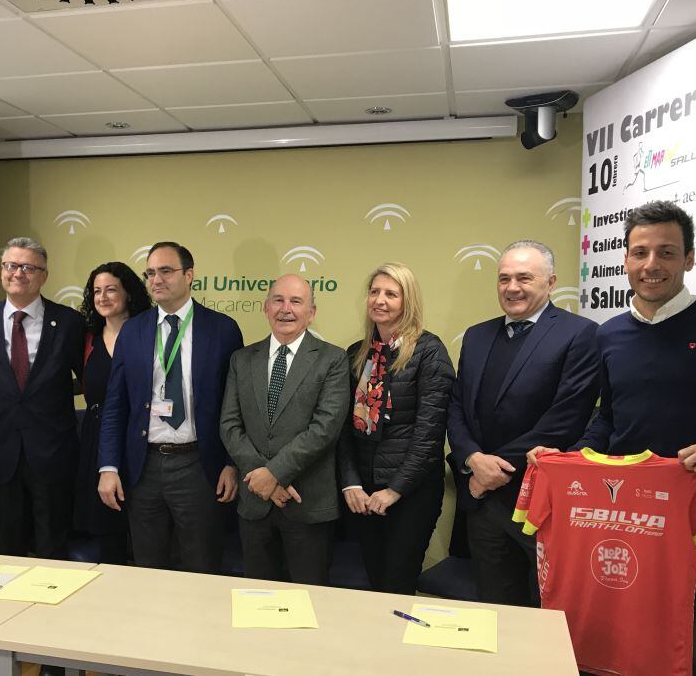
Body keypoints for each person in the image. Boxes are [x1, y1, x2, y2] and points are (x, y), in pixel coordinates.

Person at [530, 201, 696, 675]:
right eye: (640, 253)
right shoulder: (609, 334)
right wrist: (567, 460)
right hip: (622, 526)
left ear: (689, 258)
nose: (651, 265)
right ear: (626, 260)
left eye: (667, 253)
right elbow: (609, 421)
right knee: (625, 655)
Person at [448, 240, 599, 607]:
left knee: (544, 612)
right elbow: (456, 406)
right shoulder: (477, 335)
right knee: (495, 609)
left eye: (524, 278)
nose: (512, 287)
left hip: (540, 500)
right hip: (484, 505)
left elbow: (566, 417)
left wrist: (492, 467)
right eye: (504, 278)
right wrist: (472, 459)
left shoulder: (579, 333)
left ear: (551, 282)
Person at [97, 242, 243, 573]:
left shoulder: (222, 329)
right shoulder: (133, 331)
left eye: (166, 271)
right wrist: (108, 467)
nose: (156, 279)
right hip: (143, 467)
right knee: (149, 567)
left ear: (189, 275)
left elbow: (236, 405)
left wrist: (232, 463)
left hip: (199, 466)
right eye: (150, 272)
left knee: (201, 565)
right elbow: (115, 405)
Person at [220, 274, 348, 584]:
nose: (285, 309)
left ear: (312, 312)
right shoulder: (241, 359)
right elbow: (229, 424)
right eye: (278, 300)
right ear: (265, 308)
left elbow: (325, 429)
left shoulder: (333, 359)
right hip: (254, 504)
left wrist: (273, 473)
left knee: (308, 601)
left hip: (307, 503)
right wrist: (263, 478)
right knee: (257, 600)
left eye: (296, 301)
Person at [337, 263, 454, 594]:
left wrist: (395, 490)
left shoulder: (428, 351)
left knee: (396, 585)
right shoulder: (357, 354)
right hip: (364, 494)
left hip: (409, 494)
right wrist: (351, 484)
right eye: (374, 292)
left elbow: (429, 435)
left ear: (408, 301)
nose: (380, 300)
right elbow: (344, 430)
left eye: (391, 293)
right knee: (375, 583)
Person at [0, 238, 85, 564]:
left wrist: (52, 393)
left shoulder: (69, 322)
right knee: (8, 548)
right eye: (11, 265)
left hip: (53, 454)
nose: (18, 273)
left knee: (53, 547)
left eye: (28, 267)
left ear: (43, 275)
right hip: (1, 452)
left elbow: (88, 380)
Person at [75, 261, 151, 564]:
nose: (103, 297)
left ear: (129, 294)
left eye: (111, 290)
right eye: (96, 291)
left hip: (138, 436)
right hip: (97, 441)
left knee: (144, 523)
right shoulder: (86, 337)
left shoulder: (148, 333)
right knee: (106, 527)